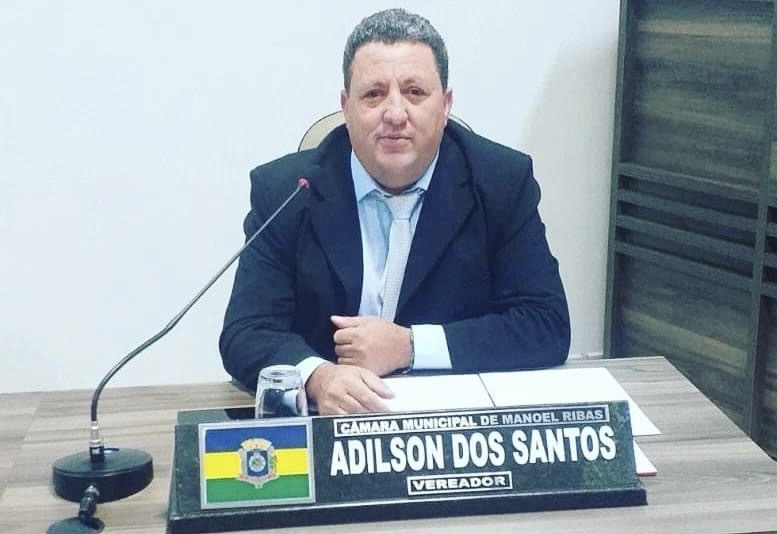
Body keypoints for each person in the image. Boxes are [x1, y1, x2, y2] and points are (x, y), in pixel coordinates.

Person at [219, 8, 570, 415]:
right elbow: (247, 331)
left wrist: (410, 346)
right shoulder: (286, 191)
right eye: (373, 94)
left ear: (446, 105)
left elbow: (545, 324)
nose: (395, 114)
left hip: (450, 422)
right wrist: (318, 377)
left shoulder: (501, 182)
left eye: (415, 92)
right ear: (346, 107)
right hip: (330, 421)